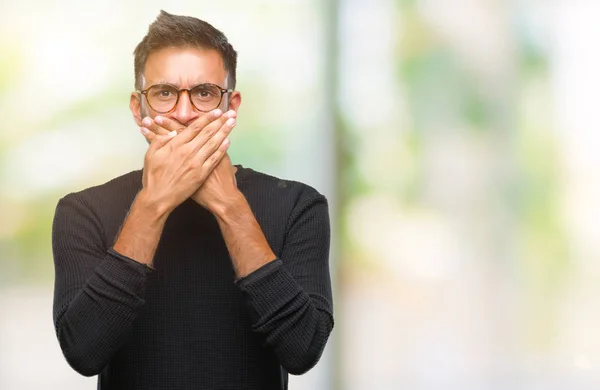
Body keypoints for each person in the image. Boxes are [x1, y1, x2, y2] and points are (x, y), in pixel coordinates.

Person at [51, 10, 333, 390]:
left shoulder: (299, 205)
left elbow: (302, 351)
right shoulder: (82, 212)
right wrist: (153, 204)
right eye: (165, 93)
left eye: (203, 93)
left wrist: (230, 206)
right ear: (139, 109)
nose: (184, 114)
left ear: (231, 106)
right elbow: (83, 352)